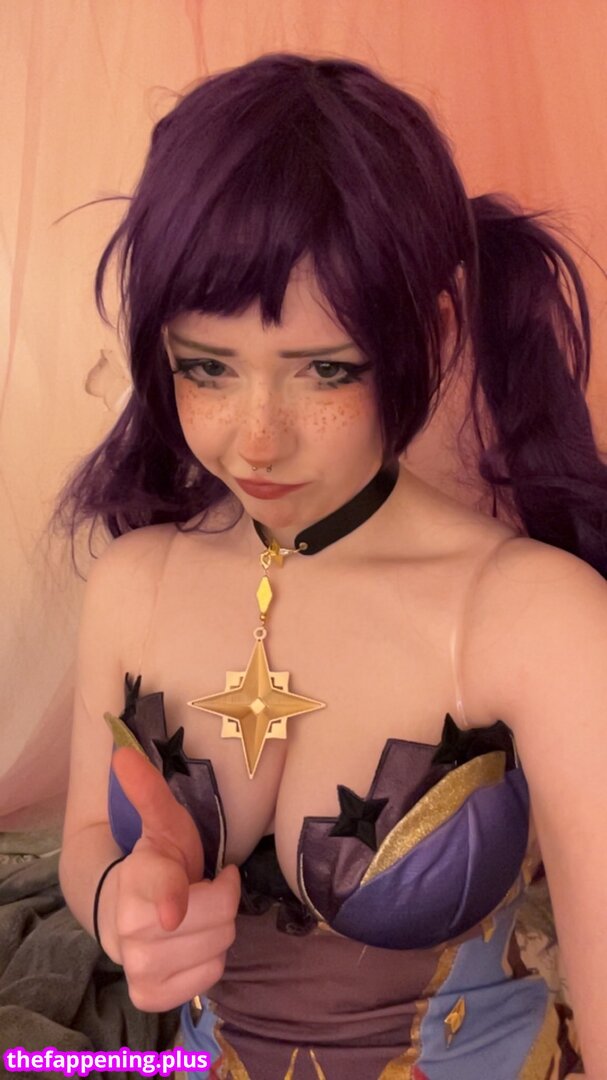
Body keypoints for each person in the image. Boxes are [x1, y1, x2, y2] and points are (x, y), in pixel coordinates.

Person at [55, 52, 607, 1079]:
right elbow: (89, 830)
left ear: (431, 332)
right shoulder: (134, 585)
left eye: (323, 371)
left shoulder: (536, 617)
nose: (257, 440)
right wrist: (119, 903)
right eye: (207, 367)